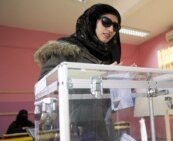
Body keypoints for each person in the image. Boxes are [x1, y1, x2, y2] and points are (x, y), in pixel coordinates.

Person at [34, 3, 122, 141]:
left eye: (116, 26)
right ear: (93, 21)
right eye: (106, 22)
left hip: (101, 129)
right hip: (72, 129)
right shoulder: (66, 49)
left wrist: (125, 78)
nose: (111, 29)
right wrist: (96, 73)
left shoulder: (108, 56)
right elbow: (44, 83)